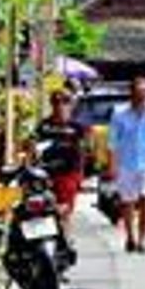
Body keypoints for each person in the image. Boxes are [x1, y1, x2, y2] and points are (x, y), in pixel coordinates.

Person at [109, 76, 145, 254]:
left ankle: (142, 240)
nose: (142, 97)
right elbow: (112, 142)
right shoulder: (119, 113)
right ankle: (130, 237)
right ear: (131, 94)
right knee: (128, 203)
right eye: (139, 93)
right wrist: (113, 166)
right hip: (127, 164)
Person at [33, 86, 88, 225]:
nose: (60, 105)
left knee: (63, 211)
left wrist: (80, 177)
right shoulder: (43, 125)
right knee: (44, 211)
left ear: (71, 104)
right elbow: (33, 147)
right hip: (45, 175)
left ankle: (64, 237)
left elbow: (83, 152)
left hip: (68, 175)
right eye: (56, 101)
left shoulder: (77, 127)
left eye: (65, 101)